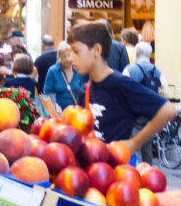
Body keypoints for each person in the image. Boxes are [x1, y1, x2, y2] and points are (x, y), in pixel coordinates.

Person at [69, 22, 175, 151]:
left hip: (118, 162)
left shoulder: (121, 85)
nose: (71, 58)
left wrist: (135, 143)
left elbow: (168, 110)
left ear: (97, 49)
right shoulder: (85, 90)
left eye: (76, 51)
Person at [43, 42, 86, 109]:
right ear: (59, 57)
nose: (67, 59)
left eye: (69, 55)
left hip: (75, 112)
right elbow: (47, 94)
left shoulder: (78, 70)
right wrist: (54, 106)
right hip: (58, 112)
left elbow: (83, 93)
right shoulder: (52, 71)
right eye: (64, 56)